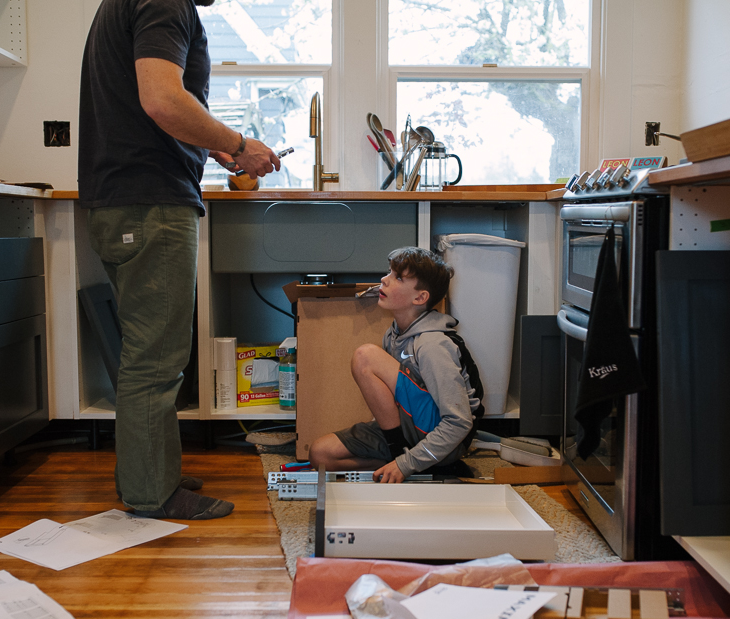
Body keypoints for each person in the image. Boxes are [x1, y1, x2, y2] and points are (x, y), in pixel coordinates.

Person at [78, 0, 280, 519]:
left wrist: (213, 149)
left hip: (125, 199)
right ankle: (152, 493)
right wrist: (238, 142)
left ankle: (149, 470)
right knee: (156, 358)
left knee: (147, 353)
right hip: (150, 202)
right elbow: (163, 101)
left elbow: (153, 103)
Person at [309, 247, 484, 483]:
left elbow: (458, 422)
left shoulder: (432, 345)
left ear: (420, 298)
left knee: (365, 356)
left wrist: (406, 463)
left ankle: (407, 459)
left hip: (441, 438)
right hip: (407, 429)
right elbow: (391, 396)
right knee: (320, 454)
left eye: (398, 277)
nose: (385, 279)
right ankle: (411, 461)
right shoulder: (393, 335)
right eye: (389, 272)